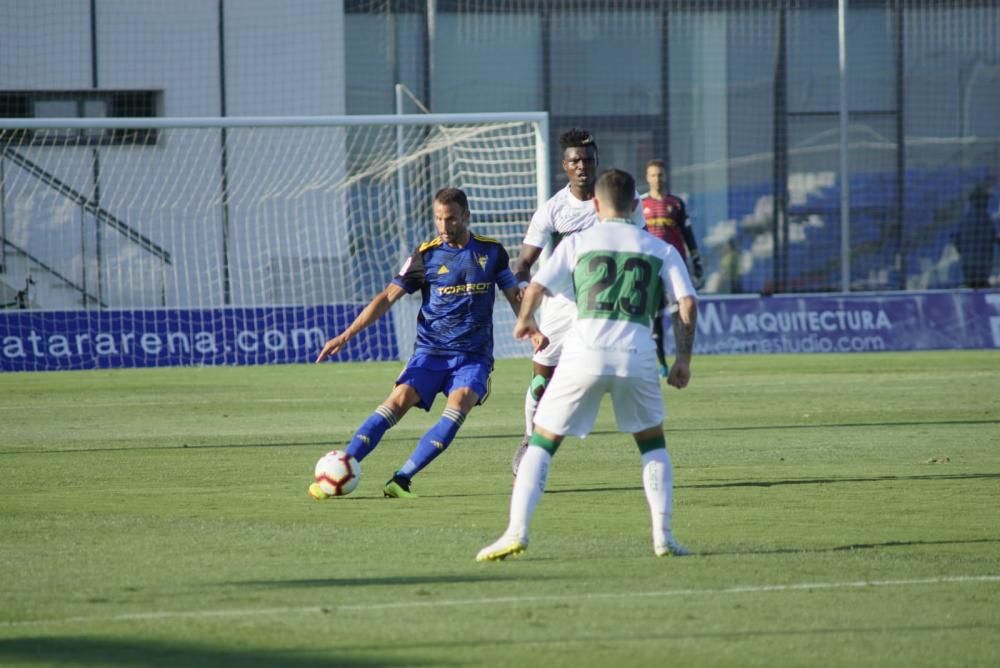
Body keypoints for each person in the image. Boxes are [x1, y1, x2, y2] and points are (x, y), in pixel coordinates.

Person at [477, 168, 698, 562]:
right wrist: (682, 359)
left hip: (584, 352)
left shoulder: (578, 242)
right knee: (652, 444)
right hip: (637, 353)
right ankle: (663, 537)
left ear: (595, 205)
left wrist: (525, 320)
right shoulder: (659, 248)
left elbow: (537, 285)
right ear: (635, 206)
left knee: (543, 442)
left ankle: (516, 532)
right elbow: (687, 303)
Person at [311, 187, 531, 499]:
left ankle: (401, 479)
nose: (443, 226)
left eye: (451, 218)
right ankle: (339, 468)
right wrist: (347, 335)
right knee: (397, 401)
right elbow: (387, 297)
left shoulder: (492, 252)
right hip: (430, 353)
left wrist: (532, 328)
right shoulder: (425, 255)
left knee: (461, 401)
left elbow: (512, 295)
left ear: (466, 216)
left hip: (473, 356)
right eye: (438, 219)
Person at [510, 128, 646, 475]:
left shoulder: (623, 201)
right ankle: (529, 440)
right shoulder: (553, 211)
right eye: (575, 161)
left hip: (605, 306)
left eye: (588, 159)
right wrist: (524, 285)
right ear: (565, 165)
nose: (582, 166)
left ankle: (646, 448)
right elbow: (524, 263)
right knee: (542, 380)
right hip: (561, 307)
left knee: (622, 379)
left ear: (596, 161)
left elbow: (640, 245)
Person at [642, 159, 703, 378]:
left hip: (674, 265)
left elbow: (687, 234)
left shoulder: (676, 204)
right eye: (653, 175)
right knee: (654, 314)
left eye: (660, 175)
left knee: (680, 310)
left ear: (665, 177)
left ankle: (681, 356)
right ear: (647, 178)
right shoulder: (640, 204)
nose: (657, 179)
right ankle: (660, 362)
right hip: (651, 265)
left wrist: (696, 259)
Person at [955, 184, 998, 289]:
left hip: (968, 268)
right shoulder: (985, 220)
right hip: (982, 269)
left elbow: (957, 241)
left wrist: (965, 254)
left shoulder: (965, 220)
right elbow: (995, 238)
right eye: (986, 199)